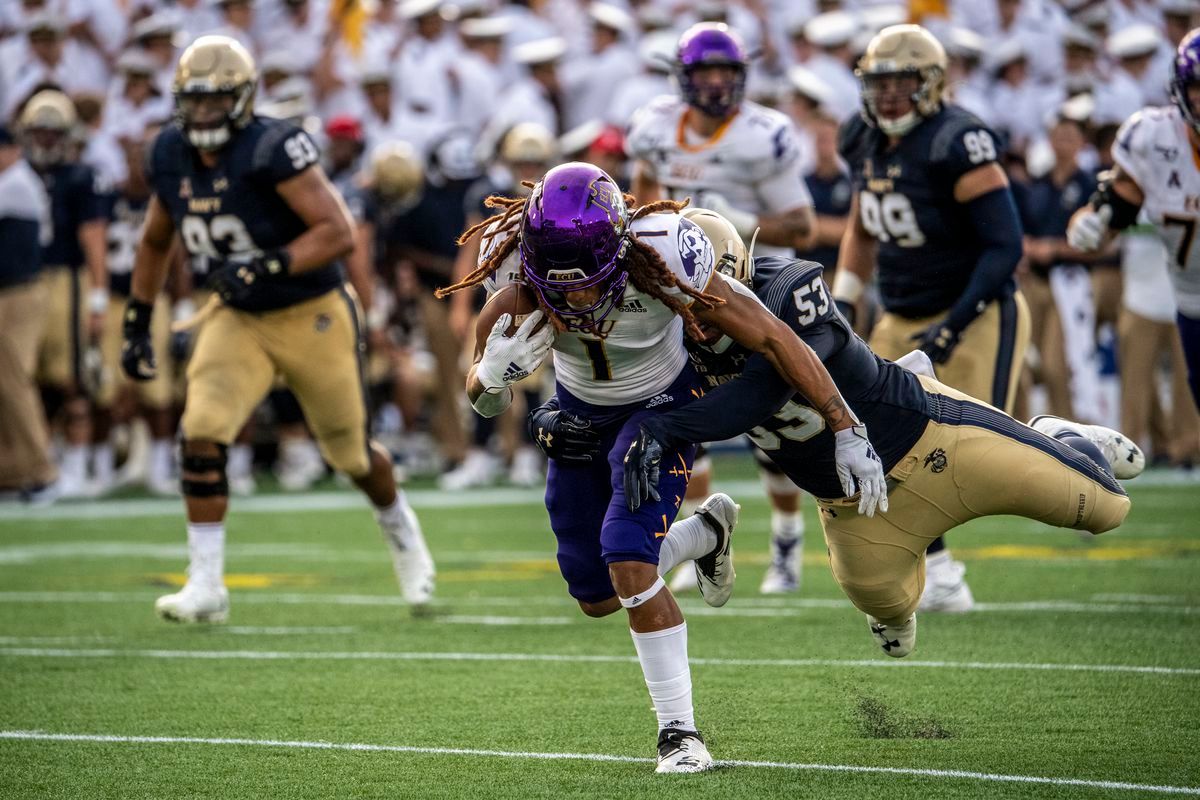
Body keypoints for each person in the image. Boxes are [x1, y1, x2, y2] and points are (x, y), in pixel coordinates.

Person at [437, 162, 888, 773]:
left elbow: (776, 338)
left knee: (626, 557)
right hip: (576, 410)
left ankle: (680, 736)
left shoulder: (667, 251)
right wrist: (493, 378)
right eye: (560, 284)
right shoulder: (512, 267)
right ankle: (706, 534)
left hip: (660, 409)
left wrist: (846, 425)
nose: (576, 299)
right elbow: (481, 397)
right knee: (595, 596)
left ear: (619, 250)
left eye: (589, 283)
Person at [621, 211, 1143, 660]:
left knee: (1106, 509)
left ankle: (1055, 435)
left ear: (740, 279)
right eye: (687, 303)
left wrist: (664, 427)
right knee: (891, 615)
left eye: (713, 298)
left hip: (937, 440)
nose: (701, 316)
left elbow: (759, 392)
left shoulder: (789, 290)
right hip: (851, 503)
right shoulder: (666, 340)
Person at [120, 35, 434, 623]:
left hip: (309, 311)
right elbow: (156, 238)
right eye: (196, 101)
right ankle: (207, 585)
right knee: (202, 430)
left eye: (217, 102)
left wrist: (269, 262)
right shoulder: (167, 152)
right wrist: (137, 320)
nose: (204, 113)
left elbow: (337, 231)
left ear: (242, 100)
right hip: (237, 315)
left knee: (350, 456)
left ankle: (402, 531)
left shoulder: (272, 148)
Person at [833, 24, 1030, 613]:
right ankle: (941, 572)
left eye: (901, 82)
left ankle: (1070, 441)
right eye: (878, 83)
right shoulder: (859, 137)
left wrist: (953, 325)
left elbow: (1005, 245)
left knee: (980, 450)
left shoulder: (956, 141)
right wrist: (845, 299)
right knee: (891, 442)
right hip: (900, 309)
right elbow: (862, 224)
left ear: (933, 84)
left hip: (973, 308)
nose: (888, 95)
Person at [626, 21, 818, 597]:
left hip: (755, 280)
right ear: (683, 78)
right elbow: (639, 198)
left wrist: (729, 217)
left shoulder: (764, 135)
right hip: (682, 289)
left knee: (771, 424)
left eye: (725, 73)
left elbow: (803, 226)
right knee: (682, 407)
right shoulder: (655, 127)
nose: (715, 84)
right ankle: (699, 534)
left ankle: (786, 541)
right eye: (705, 72)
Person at [1067, 28, 1200, 412]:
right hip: (1191, 303)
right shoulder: (1153, 138)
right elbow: (1111, 211)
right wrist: (1089, 224)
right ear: (1180, 87)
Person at [20, 89, 110, 499]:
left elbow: (94, 241)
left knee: (73, 379)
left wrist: (97, 299)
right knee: (28, 380)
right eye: (39, 132)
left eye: (53, 134)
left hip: (65, 282)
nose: (45, 141)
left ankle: (75, 465)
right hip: (24, 282)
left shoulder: (79, 177)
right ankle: (43, 462)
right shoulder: (15, 175)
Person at [0, 123, 57, 502]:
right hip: (12, 291)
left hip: (19, 293)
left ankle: (41, 469)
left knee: (13, 377)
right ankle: (12, 470)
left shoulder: (16, 181)